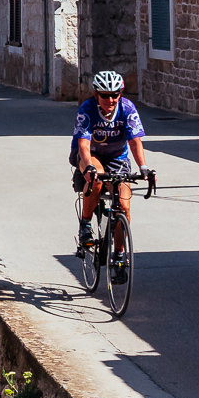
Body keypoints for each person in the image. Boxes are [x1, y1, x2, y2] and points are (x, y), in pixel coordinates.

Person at [71, 69, 150, 274]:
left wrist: (143, 168)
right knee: (96, 179)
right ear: (96, 94)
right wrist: (87, 166)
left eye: (115, 94)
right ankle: (86, 224)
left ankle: (119, 254)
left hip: (117, 157)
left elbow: (135, 142)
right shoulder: (87, 108)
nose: (111, 99)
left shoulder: (127, 108)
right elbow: (84, 145)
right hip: (92, 155)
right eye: (105, 95)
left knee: (123, 206)